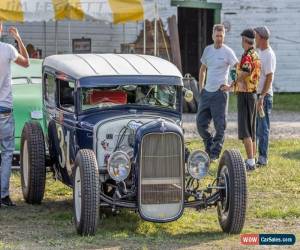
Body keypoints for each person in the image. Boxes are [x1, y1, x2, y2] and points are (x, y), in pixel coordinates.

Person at [197, 24, 238, 161]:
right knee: (200, 124)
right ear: (213, 36)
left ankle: (214, 154)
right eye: (217, 36)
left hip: (220, 94)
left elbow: (237, 68)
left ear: (224, 36)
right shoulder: (208, 50)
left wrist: (231, 85)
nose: (219, 38)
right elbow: (203, 69)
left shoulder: (228, 52)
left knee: (220, 127)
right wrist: (201, 87)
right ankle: (209, 145)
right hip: (206, 93)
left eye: (221, 36)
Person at [0, 21, 29, 206]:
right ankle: (3, 195)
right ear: (0, 29)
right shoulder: (8, 49)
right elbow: (26, 62)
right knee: (7, 153)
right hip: (4, 110)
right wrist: (18, 38)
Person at [233, 29, 261, 171]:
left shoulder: (247, 55)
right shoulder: (255, 54)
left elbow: (246, 70)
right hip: (253, 94)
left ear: (244, 39)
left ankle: (250, 162)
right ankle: (252, 159)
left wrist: (236, 80)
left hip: (245, 94)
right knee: (252, 130)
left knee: (245, 131)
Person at [254, 26, 276, 166]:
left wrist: (262, 96)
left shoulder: (269, 54)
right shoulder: (260, 52)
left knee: (263, 128)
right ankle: (256, 156)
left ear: (261, 38)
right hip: (258, 95)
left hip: (265, 97)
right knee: (257, 128)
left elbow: (269, 77)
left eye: (256, 37)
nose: (254, 39)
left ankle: (263, 158)